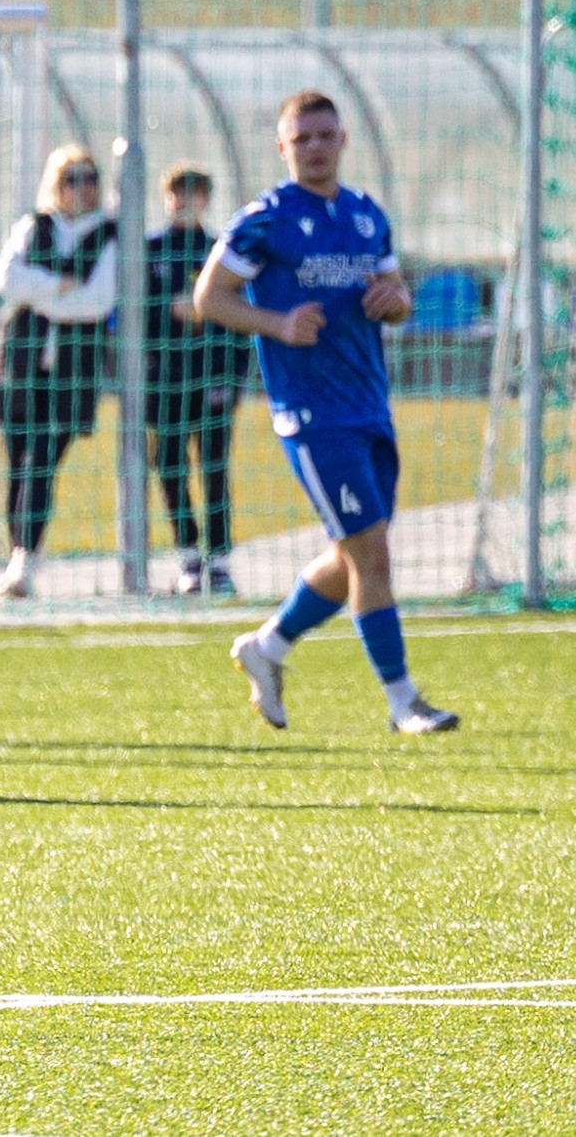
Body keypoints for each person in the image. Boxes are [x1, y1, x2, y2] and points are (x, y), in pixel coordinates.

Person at [195, 90, 459, 736]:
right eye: (301, 138)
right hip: (311, 414)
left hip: (370, 404)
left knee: (355, 556)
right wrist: (278, 322)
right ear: (282, 148)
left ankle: (268, 647)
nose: (314, 146)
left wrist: (394, 300)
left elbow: (395, 300)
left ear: (342, 140)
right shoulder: (266, 219)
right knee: (371, 555)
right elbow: (210, 296)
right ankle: (404, 701)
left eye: (324, 135)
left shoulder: (368, 216)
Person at [0, 144, 118, 600]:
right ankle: (22, 552)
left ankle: (24, 558)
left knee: (42, 458)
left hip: (71, 372)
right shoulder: (35, 226)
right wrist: (58, 287)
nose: (81, 187)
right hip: (19, 367)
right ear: (55, 184)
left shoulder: (110, 234)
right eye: (71, 178)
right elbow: (5, 278)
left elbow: (97, 301)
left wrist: (37, 292)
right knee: (19, 464)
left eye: (89, 177)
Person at [146, 161, 253, 597]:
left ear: (206, 199)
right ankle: (188, 558)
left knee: (214, 467)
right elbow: (132, 315)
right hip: (164, 380)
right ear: (166, 197)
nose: (184, 200)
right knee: (170, 467)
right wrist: (169, 310)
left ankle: (221, 561)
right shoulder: (149, 250)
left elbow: (240, 321)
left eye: (194, 192)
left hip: (212, 378)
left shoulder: (219, 249)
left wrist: (233, 380)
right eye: (177, 192)